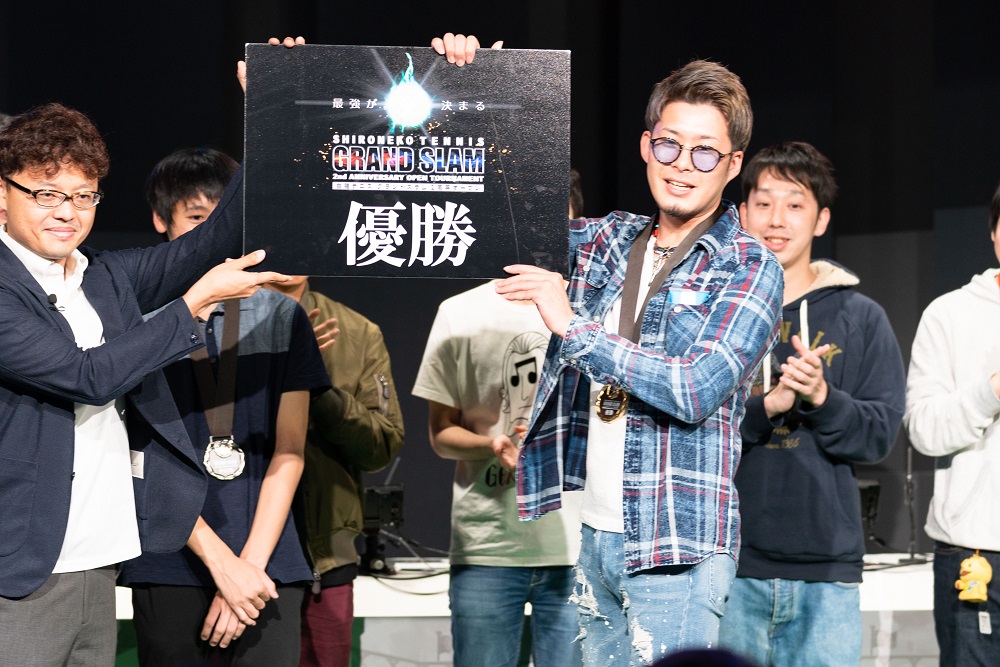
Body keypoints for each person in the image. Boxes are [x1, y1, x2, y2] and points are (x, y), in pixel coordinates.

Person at [495, 60, 784, 665]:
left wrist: (574, 328)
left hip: (678, 545)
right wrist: (477, 86)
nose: (683, 165)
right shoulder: (608, 241)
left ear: (732, 165)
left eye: (705, 152)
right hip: (597, 534)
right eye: (670, 144)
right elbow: (502, 213)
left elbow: (695, 387)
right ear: (647, 146)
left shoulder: (749, 265)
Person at [0, 103, 286, 665]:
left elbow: (214, 239)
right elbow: (86, 376)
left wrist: (267, 110)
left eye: (84, 196)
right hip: (20, 564)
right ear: (3, 194)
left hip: (101, 557)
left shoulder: (104, 276)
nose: (68, 212)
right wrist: (193, 304)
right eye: (47, 194)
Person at [118, 147, 331, 665]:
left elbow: (289, 451)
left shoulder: (282, 316)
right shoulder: (132, 320)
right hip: (170, 557)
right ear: (160, 220)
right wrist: (221, 563)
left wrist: (248, 567)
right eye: (197, 219)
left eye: (223, 220)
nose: (212, 236)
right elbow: (130, 453)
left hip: (268, 563)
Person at [717, 141, 906, 666]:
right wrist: (768, 406)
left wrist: (822, 397)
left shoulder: (860, 315)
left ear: (820, 219)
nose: (777, 219)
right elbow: (689, 422)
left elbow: (878, 436)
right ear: (742, 213)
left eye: (795, 204)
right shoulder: (715, 310)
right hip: (728, 562)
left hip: (826, 572)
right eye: (764, 202)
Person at [414, 284, 582, 663]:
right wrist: (491, 444)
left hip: (581, 546)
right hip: (488, 545)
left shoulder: (594, 301)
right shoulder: (459, 311)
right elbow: (441, 433)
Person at [263, 275, 404, 667]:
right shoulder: (218, 318)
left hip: (324, 559)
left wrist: (319, 387)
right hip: (234, 553)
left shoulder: (356, 330)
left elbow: (383, 445)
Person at [904, 180, 1000, 666]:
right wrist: (991, 390)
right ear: (994, 232)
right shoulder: (951, 314)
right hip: (975, 552)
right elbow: (924, 430)